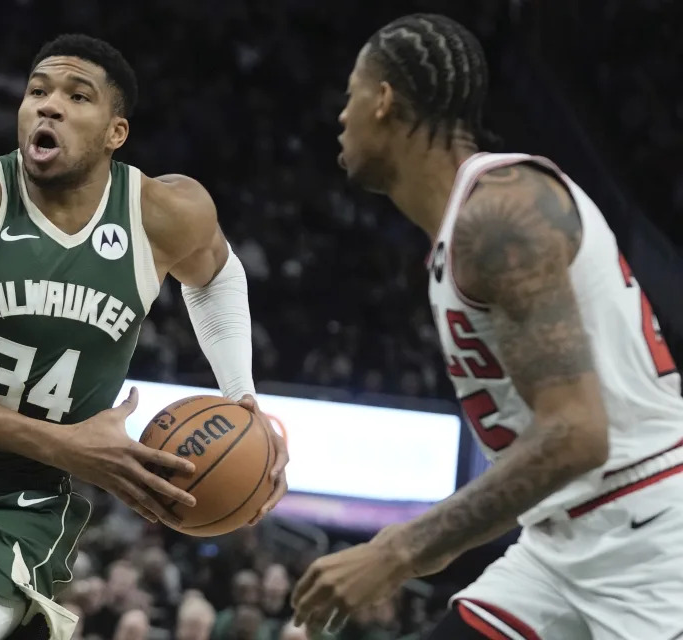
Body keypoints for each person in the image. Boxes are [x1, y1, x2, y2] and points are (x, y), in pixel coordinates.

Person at [0, 34, 288, 640]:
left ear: (114, 132)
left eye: (77, 96)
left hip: (21, 504)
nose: (49, 105)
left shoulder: (162, 211)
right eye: (37, 91)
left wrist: (241, 395)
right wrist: (60, 442)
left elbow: (217, 274)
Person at [292, 13, 683, 640]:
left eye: (350, 95)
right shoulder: (462, 229)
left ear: (385, 100)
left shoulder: (500, 213)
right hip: (558, 545)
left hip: (648, 535)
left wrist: (400, 550)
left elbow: (578, 434)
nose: (341, 116)